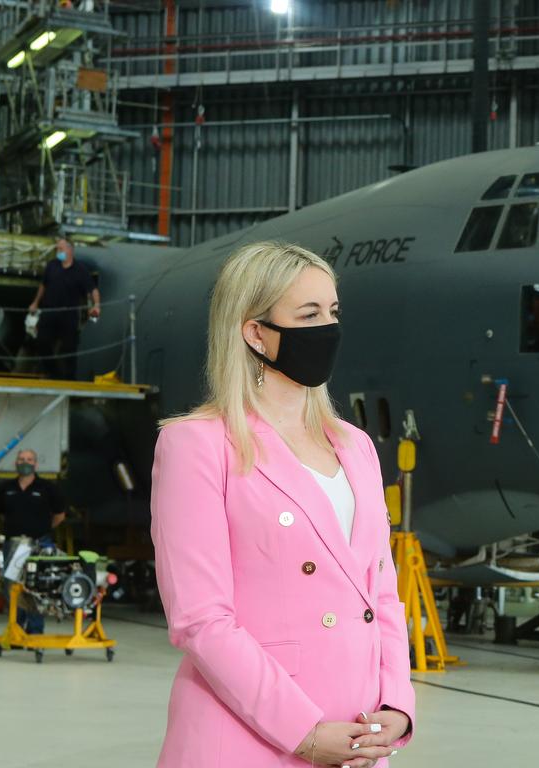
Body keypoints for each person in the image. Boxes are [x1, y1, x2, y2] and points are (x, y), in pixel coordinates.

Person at [150, 242, 413, 767]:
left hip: (358, 741)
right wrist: (304, 732)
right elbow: (201, 620)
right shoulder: (197, 444)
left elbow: (381, 592)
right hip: (250, 737)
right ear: (256, 333)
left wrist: (397, 706)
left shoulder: (355, 446)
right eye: (309, 314)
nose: (328, 328)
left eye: (333, 312)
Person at [0, 448, 65, 635]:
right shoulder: (6, 488)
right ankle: (16, 628)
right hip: (13, 544)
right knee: (12, 586)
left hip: (39, 544)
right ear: (16, 463)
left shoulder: (47, 488)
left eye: (29, 459)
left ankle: (35, 630)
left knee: (36, 587)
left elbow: (60, 515)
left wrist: (42, 529)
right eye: (21, 459)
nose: (24, 462)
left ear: (35, 464)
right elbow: (2, 514)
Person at [28, 236, 101, 380]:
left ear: (70, 250)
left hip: (68, 314)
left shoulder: (80, 270)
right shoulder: (52, 265)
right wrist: (35, 302)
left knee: (69, 348)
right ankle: (54, 373)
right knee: (42, 342)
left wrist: (97, 305)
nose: (58, 251)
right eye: (57, 248)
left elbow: (93, 289)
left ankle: (69, 380)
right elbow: (44, 285)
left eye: (60, 248)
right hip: (49, 311)